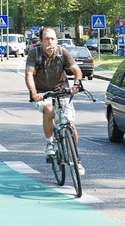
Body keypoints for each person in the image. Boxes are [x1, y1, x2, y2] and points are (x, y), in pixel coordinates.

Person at [25, 27, 86, 175]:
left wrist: (76, 84)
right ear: (41, 41)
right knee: (49, 110)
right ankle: (50, 143)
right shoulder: (35, 53)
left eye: (52, 39)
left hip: (62, 92)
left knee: (70, 124)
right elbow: (28, 74)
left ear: (57, 40)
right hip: (42, 94)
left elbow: (76, 70)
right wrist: (34, 93)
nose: (49, 42)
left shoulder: (62, 52)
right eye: (46, 39)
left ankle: (76, 159)